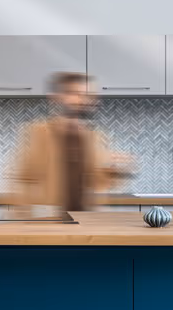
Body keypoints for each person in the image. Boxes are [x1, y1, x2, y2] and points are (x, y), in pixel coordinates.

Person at [8, 72, 132, 210]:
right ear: (56, 97)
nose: (83, 100)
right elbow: (21, 181)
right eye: (74, 94)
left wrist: (115, 171)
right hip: (49, 224)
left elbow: (98, 183)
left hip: (86, 223)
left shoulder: (96, 137)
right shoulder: (37, 133)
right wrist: (29, 219)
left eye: (88, 95)